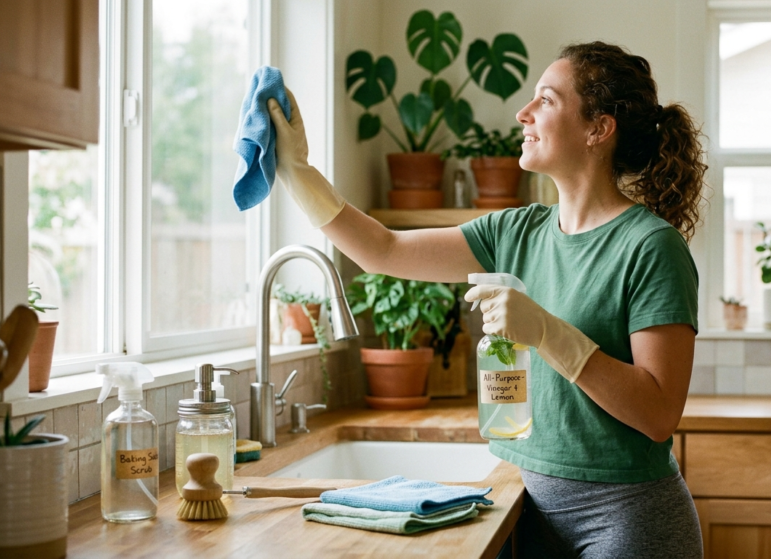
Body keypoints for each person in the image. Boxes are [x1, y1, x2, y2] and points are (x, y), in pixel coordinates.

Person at [268, 41, 706, 559]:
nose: (523, 113)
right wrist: (297, 169)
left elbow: (658, 413)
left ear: (598, 128)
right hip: (533, 509)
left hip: (631, 522)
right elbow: (382, 250)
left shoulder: (650, 246)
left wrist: (547, 331)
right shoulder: (515, 232)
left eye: (546, 99)